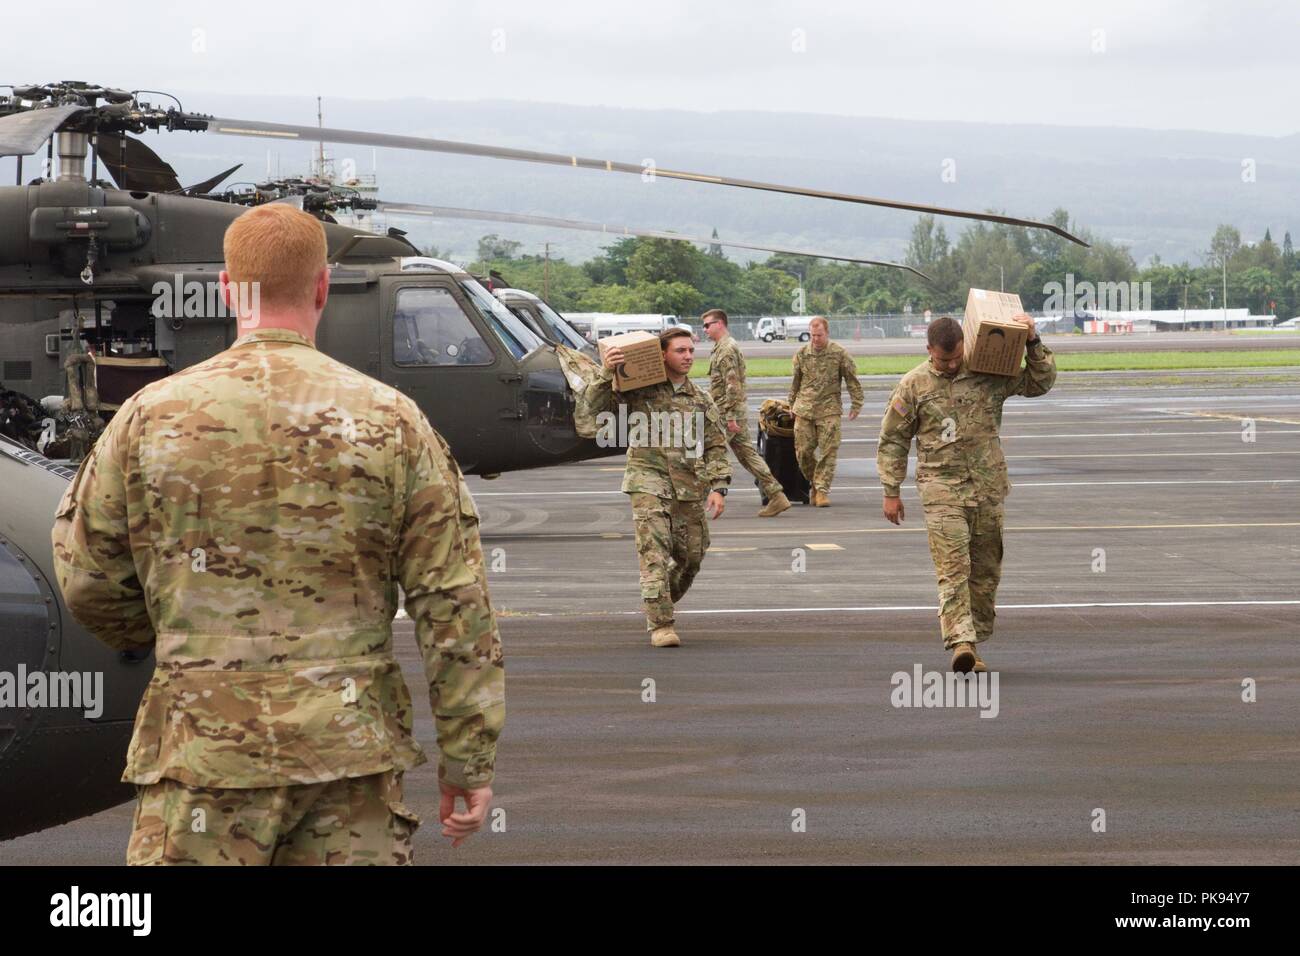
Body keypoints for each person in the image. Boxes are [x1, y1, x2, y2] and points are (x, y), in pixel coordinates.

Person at [50, 203, 505, 865]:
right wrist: (468, 759)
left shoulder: (149, 418)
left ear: (228, 289)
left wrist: (171, 636)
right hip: (348, 762)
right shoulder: (394, 421)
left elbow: (87, 576)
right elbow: (455, 609)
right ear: (321, 288)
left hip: (202, 756)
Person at [876, 314, 1056, 673]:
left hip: (987, 488)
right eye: (945, 360)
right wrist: (890, 490)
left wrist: (1033, 341)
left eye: (957, 356)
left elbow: (1040, 382)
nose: (953, 364)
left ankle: (974, 641)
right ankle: (961, 641)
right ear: (929, 350)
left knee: (986, 571)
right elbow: (893, 439)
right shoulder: (913, 385)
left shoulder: (987, 373)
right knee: (953, 567)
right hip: (941, 488)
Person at [579, 327, 731, 647]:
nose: (688, 356)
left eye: (691, 350)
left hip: (689, 487)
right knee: (654, 555)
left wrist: (719, 487)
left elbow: (716, 445)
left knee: (692, 558)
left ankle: (658, 601)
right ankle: (661, 623)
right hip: (647, 481)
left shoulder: (700, 399)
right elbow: (589, 414)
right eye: (680, 350)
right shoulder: (639, 390)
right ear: (663, 354)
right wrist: (607, 371)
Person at [702, 308, 791, 517]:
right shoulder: (722, 347)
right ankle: (777, 496)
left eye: (707, 325)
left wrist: (731, 417)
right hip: (730, 410)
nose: (704, 329)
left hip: (727, 412)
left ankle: (698, 498)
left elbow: (732, 385)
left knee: (706, 450)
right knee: (748, 456)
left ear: (720, 324)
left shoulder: (725, 350)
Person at [788, 316, 864, 506]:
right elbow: (795, 382)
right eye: (812, 335)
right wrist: (791, 405)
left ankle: (821, 490)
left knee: (829, 451)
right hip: (804, 409)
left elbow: (852, 380)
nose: (815, 339)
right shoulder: (801, 354)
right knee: (803, 452)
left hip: (829, 409)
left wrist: (856, 403)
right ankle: (815, 482)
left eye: (819, 335)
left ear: (827, 333)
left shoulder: (839, 353)